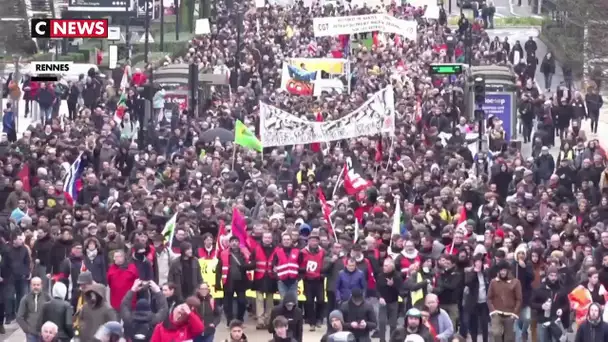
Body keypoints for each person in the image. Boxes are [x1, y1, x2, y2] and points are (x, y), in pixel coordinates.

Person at [215, 235, 253, 323]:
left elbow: (250, 265)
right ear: (229, 243)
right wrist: (217, 282)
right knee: (227, 303)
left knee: (242, 302)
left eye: (236, 241)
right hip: (228, 282)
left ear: (239, 243)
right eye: (232, 241)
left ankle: (240, 319)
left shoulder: (244, 253)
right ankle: (230, 320)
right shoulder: (223, 253)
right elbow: (218, 269)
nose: (234, 243)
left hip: (241, 282)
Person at [530, 266, 569, 342]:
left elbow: (567, 305)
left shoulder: (561, 289)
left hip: (556, 322)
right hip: (542, 321)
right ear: (547, 275)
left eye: (555, 276)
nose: (553, 278)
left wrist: (562, 310)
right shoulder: (540, 289)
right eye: (551, 275)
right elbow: (531, 303)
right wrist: (542, 306)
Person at [488, 261, 522, 342]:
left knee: (508, 338)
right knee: (496, 333)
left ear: (508, 271)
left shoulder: (516, 282)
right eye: (501, 270)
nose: (502, 272)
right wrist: (493, 311)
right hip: (496, 312)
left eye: (504, 270)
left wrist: (514, 313)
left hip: (510, 314)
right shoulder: (493, 282)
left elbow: (519, 299)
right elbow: (489, 298)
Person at [300, 233, 325, 331]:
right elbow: (300, 264)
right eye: (312, 240)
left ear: (318, 242)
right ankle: (312, 323)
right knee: (309, 302)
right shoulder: (303, 252)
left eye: (315, 241)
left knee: (321, 300)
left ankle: (319, 318)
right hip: (308, 280)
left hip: (319, 280)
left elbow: (325, 262)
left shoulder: (322, 251)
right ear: (308, 241)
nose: (314, 242)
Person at [251, 230, 277, 329]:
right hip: (259, 277)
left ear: (272, 239)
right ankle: (260, 321)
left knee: (270, 300)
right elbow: (251, 260)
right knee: (259, 300)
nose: (267, 239)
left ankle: (268, 320)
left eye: (269, 238)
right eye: (265, 237)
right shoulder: (256, 248)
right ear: (262, 238)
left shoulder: (276, 249)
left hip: (271, 277)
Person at [5, 231, 32, 323]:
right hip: (10, 276)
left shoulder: (24, 249)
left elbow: (27, 261)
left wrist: (28, 272)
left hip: (22, 275)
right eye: (19, 239)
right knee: (10, 296)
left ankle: (20, 314)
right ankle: (9, 315)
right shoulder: (7, 250)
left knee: (22, 295)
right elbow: (4, 264)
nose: (22, 241)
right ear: (14, 240)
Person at [463, 254, 490, 342]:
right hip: (473, 303)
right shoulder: (470, 272)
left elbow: (489, 283)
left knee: (484, 323)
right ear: (474, 263)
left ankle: (485, 340)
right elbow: (468, 283)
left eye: (480, 262)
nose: (479, 264)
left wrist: (485, 271)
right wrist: (475, 272)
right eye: (477, 262)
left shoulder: (485, 272)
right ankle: (474, 340)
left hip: (484, 302)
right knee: (473, 324)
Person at [16, 277, 51, 342]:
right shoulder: (25, 299)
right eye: (34, 285)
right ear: (30, 285)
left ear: (41, 285)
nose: (36, 287)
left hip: (44, 333)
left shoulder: (47, 297)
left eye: (38, 285)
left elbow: (53, 313)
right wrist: (27, 329)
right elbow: (19, 317)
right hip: (31, 334)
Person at [377, 257, 403, 342]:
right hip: (383, 302)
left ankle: (392, 340)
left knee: (393, 324)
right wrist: (379, 297)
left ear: (391, 267)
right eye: (384, 265)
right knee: (382, 322)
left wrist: (393, 285)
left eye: (386, 266)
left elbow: (401, 291)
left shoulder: (397, 277)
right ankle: (382, 340)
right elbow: (376, 289)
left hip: (394, 302)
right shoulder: (380, 275)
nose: (384, 267)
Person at [272, 233, 301, 299]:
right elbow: (273, 266)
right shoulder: (277, 252)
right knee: (283, 302)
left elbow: (301, 265)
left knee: (294, 302)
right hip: (281, 281)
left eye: (288, 239)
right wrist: (278, 278)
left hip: (293, 281)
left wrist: (298, 278)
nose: (286, 241)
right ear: (282, 241)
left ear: (291, 241)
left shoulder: (297, 251)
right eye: (284, 239)